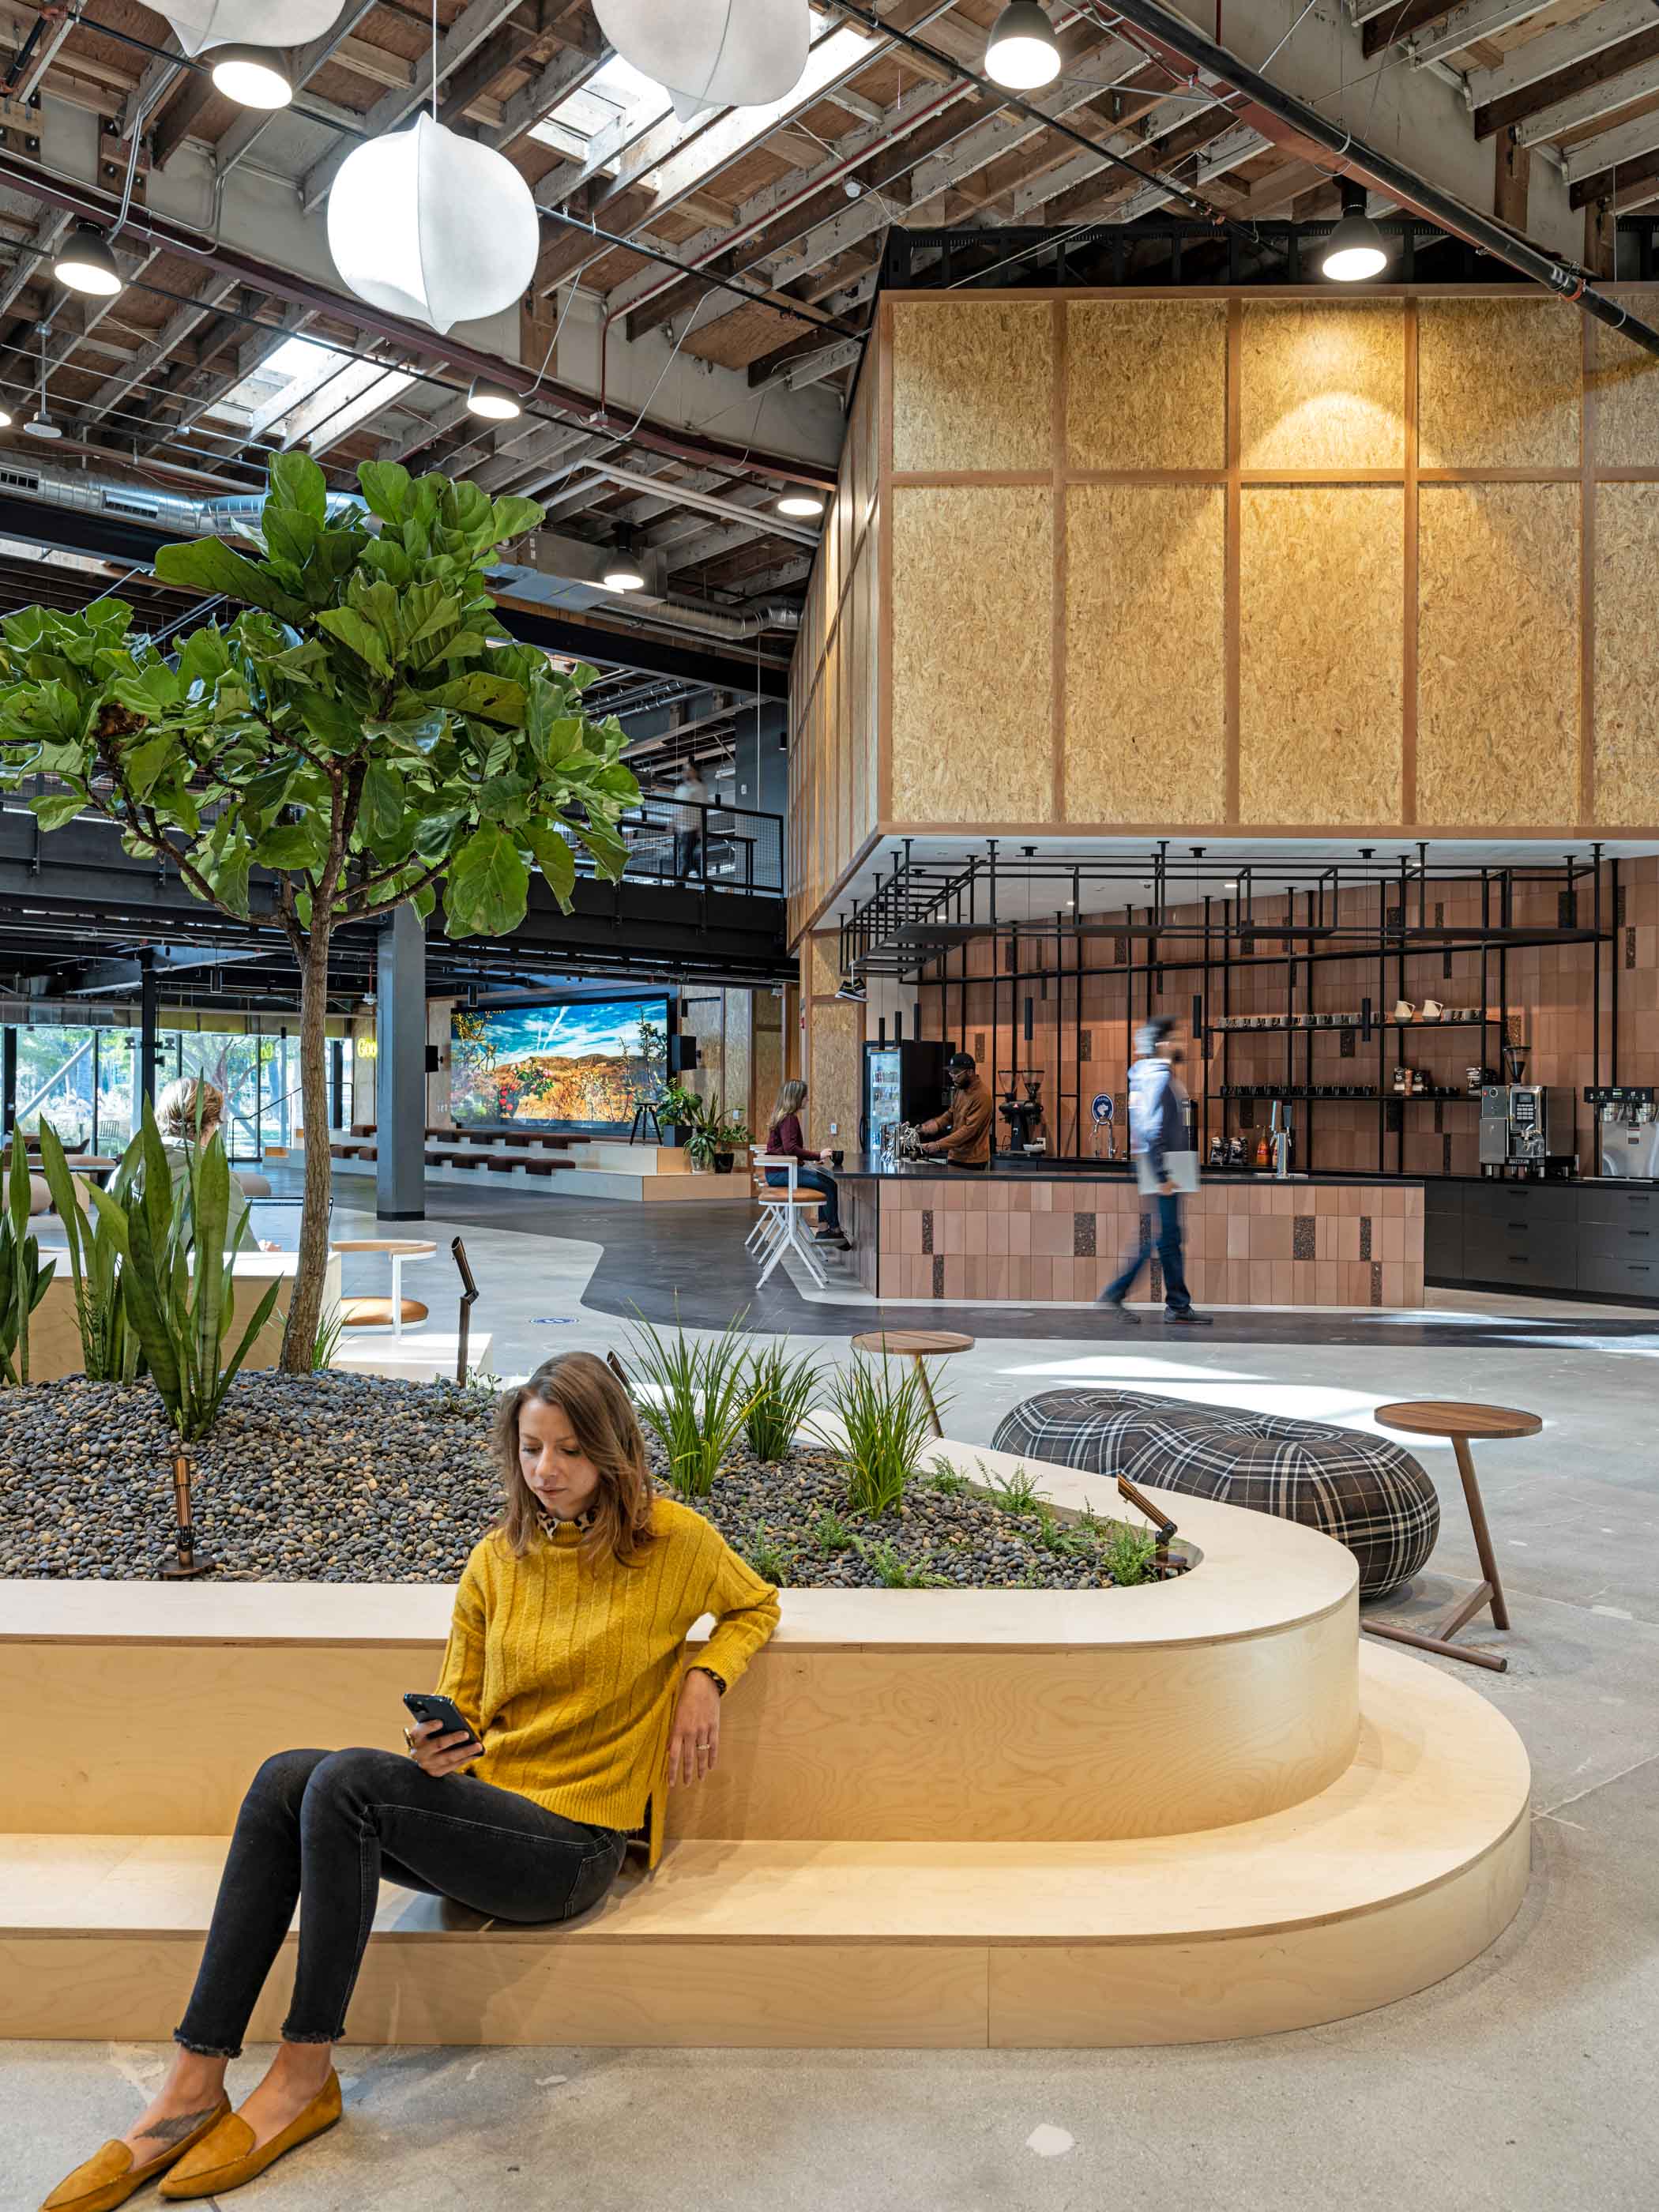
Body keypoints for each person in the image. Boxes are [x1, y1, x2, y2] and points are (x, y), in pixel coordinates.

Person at [38, 1352, 780, 2209]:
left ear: (613, 1451)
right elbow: (460, 1704)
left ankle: (304, 2074)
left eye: (571, 1450)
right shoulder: (496, 1562)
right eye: (533, 1449)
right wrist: (435, 1749)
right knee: (287, 1778)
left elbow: (755, 1604)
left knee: (346, 1781)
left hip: (570, 1848)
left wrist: (704, 1678)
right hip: (487, 1815)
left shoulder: (675, 1543)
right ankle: (192, 2083)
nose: (548, 1472)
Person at [1098, 1018, 1212, 1326]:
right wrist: (1162, 1176)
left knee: (1169, 1237)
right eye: (1176, 1039)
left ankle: (1175, 1303)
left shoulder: (1152, 1078)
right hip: (1163, 1168)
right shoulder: (1159, 1080)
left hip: (1160, 1166)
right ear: (1162, 1044)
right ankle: (1124, 1293)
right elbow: (1151, 1130)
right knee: (1165, 1238)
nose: (1181, 1044)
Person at [155, 1076, 278, 1254]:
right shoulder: (216, 1179)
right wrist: (266, 1256)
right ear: (211, 1122)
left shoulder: (124, 1174)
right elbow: (236, 1261)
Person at [763, 1077, 846, 1246]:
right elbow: (790, 1149)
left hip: (776, 1173)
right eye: (805, 1096)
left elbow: (785, 1150)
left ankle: (825, 1230)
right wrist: (818, 1155)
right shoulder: (790, 1119)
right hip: (782, 1174)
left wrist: (806, 1162)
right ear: (796, 1098)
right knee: (830, 1185)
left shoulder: (783, 1117)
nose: (807, 1099)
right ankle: (832, 1230)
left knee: (827, 1183)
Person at [915, 1050, 993, 1169]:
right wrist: (934, 1125)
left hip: (973, 1160)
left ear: (970, 1072)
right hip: (955, 1156)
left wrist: (938, 1145)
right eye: (951, 1073)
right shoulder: (961, 1089)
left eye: (956, 1073)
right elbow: (951, 1114)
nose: (953, 1078)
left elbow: (969, 1130)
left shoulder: (982, 1096)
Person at [671, 762, 713, 880]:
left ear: (695, 772)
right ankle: (705, 881)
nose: (686, 772)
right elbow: (677, 808)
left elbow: (703, 809)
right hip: (682, 828)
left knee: (685, 856)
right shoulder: (680, 788)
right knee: (687, 856)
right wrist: (673, 823)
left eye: (688, 770)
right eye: (685, 770)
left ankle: (680, 883)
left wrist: (701, 829)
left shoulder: (699, 787)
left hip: (693, 827)